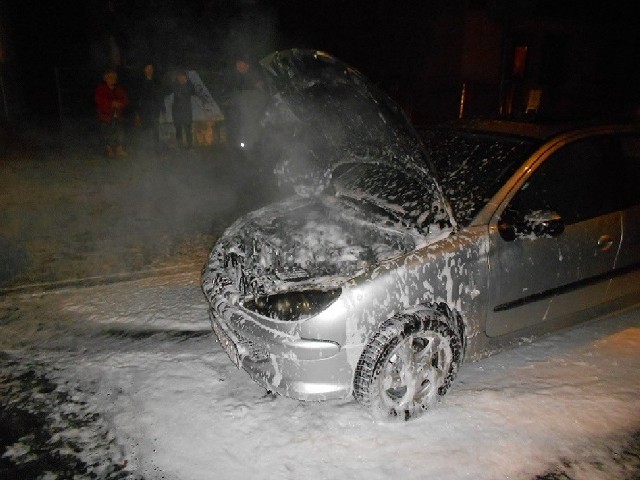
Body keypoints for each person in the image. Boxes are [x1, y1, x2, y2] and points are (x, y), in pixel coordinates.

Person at [219, 54, 267, 156]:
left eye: (247, 65)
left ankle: (248, 148)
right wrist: (226, 100)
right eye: (243, 64)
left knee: (248, 126)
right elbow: (224, 90)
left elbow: (257, 88)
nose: (246, 67)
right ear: (238, 64)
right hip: (233, 109)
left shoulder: (250, 75)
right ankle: (234, 151)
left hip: (247, 109)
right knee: (234, 128)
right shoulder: (229, 74)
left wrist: (259, 86)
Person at [94, 68, 129, 157]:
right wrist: (111, 103)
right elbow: (99, 100)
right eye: (110, 77)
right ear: (105, 78)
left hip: (118, 115)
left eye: (114, 77)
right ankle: (109, 150)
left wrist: (119, 104)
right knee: (106, 133)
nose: (112, 79)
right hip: (106, 115)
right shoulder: (101, 89)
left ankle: (119, 149)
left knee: (120, 132)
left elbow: (125, 100)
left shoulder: (119, 88)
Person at [133, 62, 163, 149]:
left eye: (151, 68)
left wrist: (161, 108)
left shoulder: (156, 81)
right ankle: (145, 148)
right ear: (144, 69)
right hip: (144, 109)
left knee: (155, 130)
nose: (150, 70)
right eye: (148, 68)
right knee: (145, 129)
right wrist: (137, 112)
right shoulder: (140, 82)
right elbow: (138, 97)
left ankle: (156, 148)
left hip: (154, 109)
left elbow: (159, 95)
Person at [171, 70, 196, 149]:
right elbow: (176, 92)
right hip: (177, 111)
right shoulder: (175, 85)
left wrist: (187, 83)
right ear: (177, 77)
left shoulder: (189, 84)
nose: (181, 78)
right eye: (179, 76)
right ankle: (180, 146)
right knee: (178, 130)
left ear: (186, 77)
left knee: (188, 129)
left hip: (186, 111)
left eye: (183, 76)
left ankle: (190, 146)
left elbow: (193, 91)